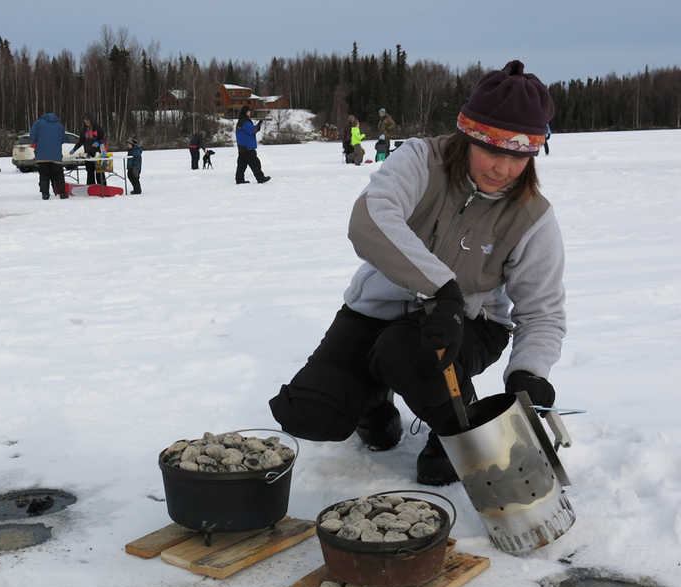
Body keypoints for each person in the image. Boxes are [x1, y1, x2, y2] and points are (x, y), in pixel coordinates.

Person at [269, 59, 564, 487]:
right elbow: (370, 219)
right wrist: (441, 287)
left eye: (518, 156)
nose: (502, 169)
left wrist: (529, 375)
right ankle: (374, 403)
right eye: (491, 150)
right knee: (310, 415)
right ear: (467, 136)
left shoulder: (532, 216)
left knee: (408, 350)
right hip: (376, 312)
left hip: (469, 325)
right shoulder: (421, 161)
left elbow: (543, 312)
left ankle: (453, 426)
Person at [30, 112, 68, 200]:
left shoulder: (38, 123)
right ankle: (62, 193)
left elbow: (32, 137)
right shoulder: (59, 125)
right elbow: (63, 139)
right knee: (59, 175)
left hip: (42, 156)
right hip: (56, 156)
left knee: (44, 175)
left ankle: (45, 194)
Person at [234, 105, 270, 184]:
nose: (250, 113)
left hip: (242, 147)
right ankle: (260, 178)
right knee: (255, 163)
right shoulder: (245, 121)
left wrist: (257, 125)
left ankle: (239, 179)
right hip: (248, 148)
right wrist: (260, 123)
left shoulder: (240, 121)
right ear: (246, 112)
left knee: (241, 165)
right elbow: (252, 130)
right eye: (249, 111)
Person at [70, 114, 105, 185]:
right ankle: (91, 186)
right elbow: (80, 141)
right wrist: (74, 149)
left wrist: (97, 143)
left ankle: (102, 187)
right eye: (85, 121)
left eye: (87, 121)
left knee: (99, 171)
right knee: (89, 171)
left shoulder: (98, 128)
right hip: (88, 153)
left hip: (98, 153)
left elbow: (103, 139)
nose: (86, 122)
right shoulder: (83, 130)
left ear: (91, 120)